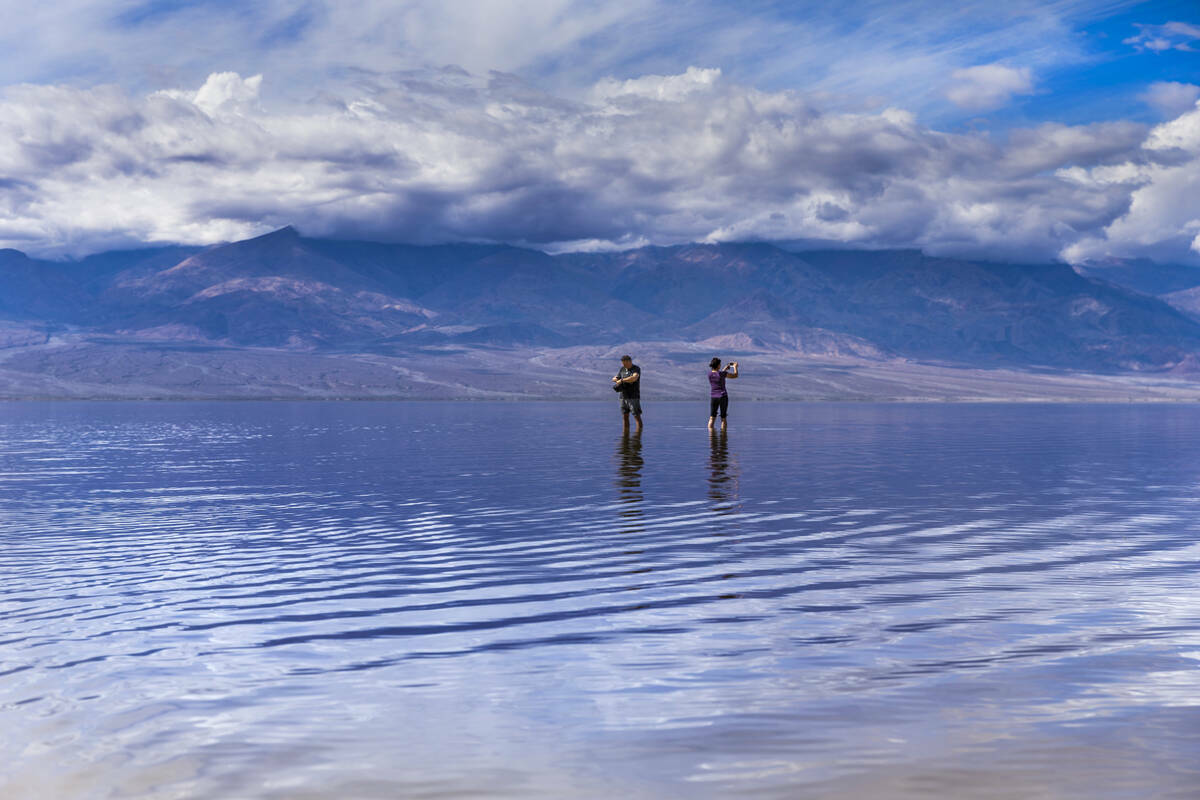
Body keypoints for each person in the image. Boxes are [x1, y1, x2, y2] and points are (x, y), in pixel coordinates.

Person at [612, 354, 643, 432]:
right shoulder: (622, 369)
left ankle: (638, 436)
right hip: (623, 396)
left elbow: (634, 378)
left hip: (633, 396)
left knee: (636, 416)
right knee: (625, 416)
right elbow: (614, 378)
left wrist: (622, 380)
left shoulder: (636, 369)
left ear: (629, 361)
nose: (624, 365)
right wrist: (617, 380)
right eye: (623, 364)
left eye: (625, 364)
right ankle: (625, 435)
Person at [707, 357, 738, 430]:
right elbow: (735, 375)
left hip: (713, 397)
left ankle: (711, 437)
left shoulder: (709, 374)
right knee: (723, 418)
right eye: (720, 364)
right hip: (723, 397)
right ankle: (723, 436)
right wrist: (735, 367)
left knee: (712, 418)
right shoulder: (722, 374)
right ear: (718, 365)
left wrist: (725, 369)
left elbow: (719, 375)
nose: (720, 365)